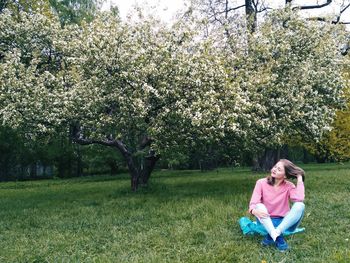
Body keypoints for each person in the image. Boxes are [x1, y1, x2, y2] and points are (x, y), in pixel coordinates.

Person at [249, 159, 305, 251]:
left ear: (285, 175)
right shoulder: (261, 182)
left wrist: (299, 178)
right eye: (275, 167)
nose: (274, 169)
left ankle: (275, 233)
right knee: (260, 206)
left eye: (279, 169)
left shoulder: (289, 186)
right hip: (265, 219)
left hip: (284, 222)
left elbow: (299, 198)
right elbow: (254, 202)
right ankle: (278, 237)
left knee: (300, 205)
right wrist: (254, 211)